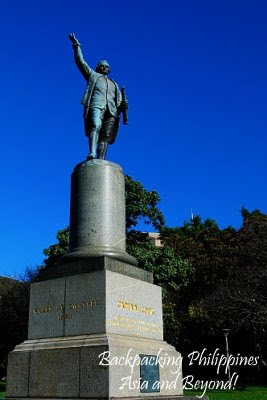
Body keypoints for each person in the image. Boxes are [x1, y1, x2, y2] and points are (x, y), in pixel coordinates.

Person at [69, 33, 127, 160]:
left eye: (107, 67)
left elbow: (119, 103)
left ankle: (101, 159)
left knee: (106, 135)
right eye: (103, 66)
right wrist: (76, 45)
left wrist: (123, 106)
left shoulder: (114, 84)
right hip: (97, 104)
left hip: (112, 110)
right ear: (98, 67)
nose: (105, 68)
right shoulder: (93, 76)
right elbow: (80, 62)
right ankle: (92, 153)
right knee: (95, 125)